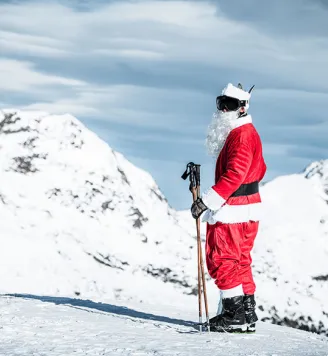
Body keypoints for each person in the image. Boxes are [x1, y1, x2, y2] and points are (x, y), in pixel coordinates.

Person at [191, 83, 266, 333]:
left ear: (243, 108)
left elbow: (235, 175)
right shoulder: (245, 132)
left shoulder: (242, 135)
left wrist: (206, 202)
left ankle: (234, 316)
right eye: (220, 103)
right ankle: (246, 314)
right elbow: (259, 168)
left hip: (234, 208)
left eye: (230, 105)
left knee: (222, 258)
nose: (224, 109)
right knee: (240, 260)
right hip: (247, 208)